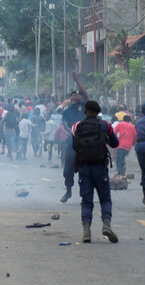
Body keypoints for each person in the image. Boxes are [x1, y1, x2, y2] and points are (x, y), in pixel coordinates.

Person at [72, 100, 120, 243]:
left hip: (84, 167)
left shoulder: (77, 126)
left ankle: (86, 232)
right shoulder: (105, 125)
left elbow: (74, 145)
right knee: (105, 199)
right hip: (100, 167)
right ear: (99, 112)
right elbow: (115, 143)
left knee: (86, 201)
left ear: (85, 111)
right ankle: (106, 225)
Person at [60, 72, 89, 203]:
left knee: (87, 169)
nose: (75, 96)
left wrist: (77, 80)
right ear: (70, 98)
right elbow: (64, 124)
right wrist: (71, 132)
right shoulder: (66, 111)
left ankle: (85, 194)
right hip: (72, 140)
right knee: (67, 169)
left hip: (86, 140)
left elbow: (86, 93)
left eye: (78, 95)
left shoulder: (85, 107)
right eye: (73, 95)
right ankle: (68, 190)